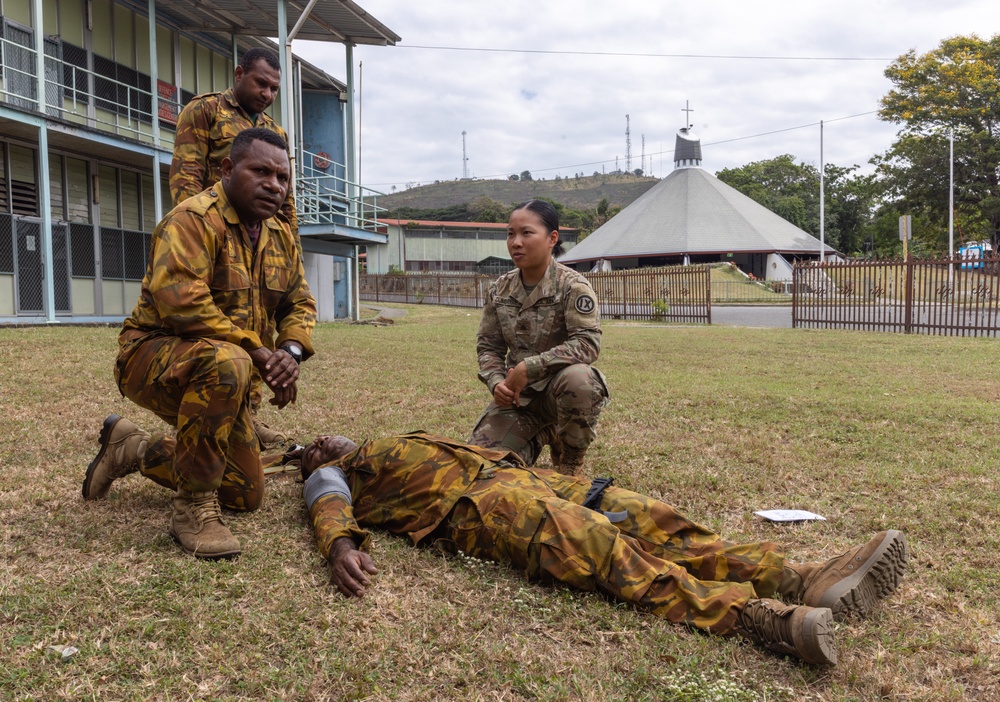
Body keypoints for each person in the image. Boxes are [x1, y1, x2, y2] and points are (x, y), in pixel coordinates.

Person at [298, 431, 909, 666]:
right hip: (486, 514)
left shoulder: (389, 437)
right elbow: (325, 502)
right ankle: (751, 617)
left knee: (652, 517)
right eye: (312, 446)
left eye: (321, 440)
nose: (323, 440)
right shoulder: (342, 476)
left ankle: (795, 577)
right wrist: (338, 545)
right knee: (597, 546)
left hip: (532, 480)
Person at [82, 128, 316, 560]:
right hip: (152, 356)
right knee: (229, 358)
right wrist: (259, 352)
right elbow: (184, 306)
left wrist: (289, 351)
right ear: (227, 169)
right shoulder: (191, 220)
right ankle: (192, 509)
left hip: (226, 373)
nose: (274, 185)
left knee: (245, 491)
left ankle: (130, 448)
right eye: (260, 171)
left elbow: (299, 302)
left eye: (282, 177)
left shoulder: (280, 234)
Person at [169, 46, 298, 449]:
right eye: (261, 83)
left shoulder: (276, 133)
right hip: (212, 237)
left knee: (257, 325)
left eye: (274, 89)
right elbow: (186, 175)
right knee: (215, 326)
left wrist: (285, 246)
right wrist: (196, 234)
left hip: (258, 242)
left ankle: (247, 416)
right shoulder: (204, 111)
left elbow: (286, 198)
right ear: (239, 74)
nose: (267, 94)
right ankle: (216, 412)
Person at [470, 200, 609, 476]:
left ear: (552, 238)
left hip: (559, 394)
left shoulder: (572, 286)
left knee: (581, 379)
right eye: (511, 234)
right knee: (484, 469)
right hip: (517, 399)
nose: (516, 242)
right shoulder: (500, 288)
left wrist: (529, 367)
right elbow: (489, 346)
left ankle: (570, 458)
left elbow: (587, 342)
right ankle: (542, 435)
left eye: (526, 233)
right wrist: (497, 382)